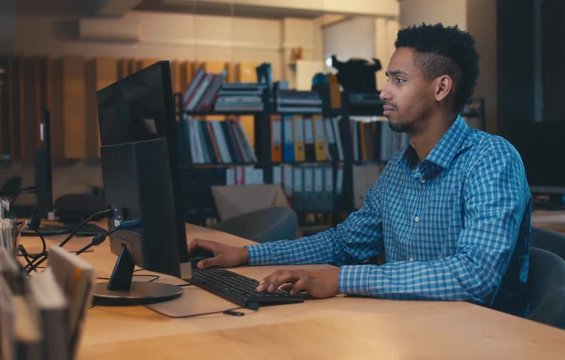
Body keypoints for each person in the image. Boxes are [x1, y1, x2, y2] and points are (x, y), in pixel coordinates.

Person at [189, 23, 531, 315]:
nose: (383, 92)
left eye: (398, 80)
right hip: (410, 326)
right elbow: (343, 243)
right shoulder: (400, 166)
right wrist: (248, 254)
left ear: (441, 88)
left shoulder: (490, 159)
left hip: (478, 339)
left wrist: (342, 279)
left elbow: (474, 276)